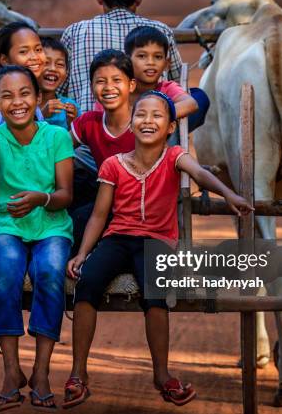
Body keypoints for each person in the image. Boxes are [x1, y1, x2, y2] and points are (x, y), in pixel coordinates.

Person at [63, 91, 254, 409]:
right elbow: (99, 215)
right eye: (141, 115)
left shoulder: (174, 156)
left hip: (156, 241)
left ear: (169, 127)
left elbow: (201, 174)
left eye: (157, 116)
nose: (147, 121)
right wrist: (83, 253)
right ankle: (78, 374)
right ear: (131, 124)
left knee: (155, 292)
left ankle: (162, 375)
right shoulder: (113, 165)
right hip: (117, 238)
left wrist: (228, 194)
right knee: (88, 283)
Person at [0, 66, 74, 411]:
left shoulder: (57, 137)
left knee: (50, 273)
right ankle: (11, 371)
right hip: (7, 228)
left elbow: (66, 194)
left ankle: (41, 372)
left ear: (38, 99)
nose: (17, 102)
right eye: (7, 96)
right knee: (7, 271)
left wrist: (41, 199)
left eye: (25, 94)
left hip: (52, 225)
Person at [61, 0, 184, 113]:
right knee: (198, 96)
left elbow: (59, 90)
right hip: (151, 128)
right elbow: (177, 81)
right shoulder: (161, 31)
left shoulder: (75, 32)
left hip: (85, 131)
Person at [68, 49, 136, 251]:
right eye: (100, 81)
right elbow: (58, 150)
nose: (109, 88)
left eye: (117, 80)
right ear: (91, 87)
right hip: (105, 203)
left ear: (131, 85)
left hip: (139, 210)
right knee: (72, 225)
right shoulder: (89, 123)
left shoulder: (143, 122)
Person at [92, 25, 210, 131]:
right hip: (116, 149)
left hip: (157, 150)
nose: (150, 62)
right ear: (127, 61)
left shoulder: (166, 88)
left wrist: (154, 117)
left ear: (166, 64)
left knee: (200, 96)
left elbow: (191, 103)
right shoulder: (117, 91)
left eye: (158, 57)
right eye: (142, 56)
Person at [0, 22, 46, 128]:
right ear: (5, 60)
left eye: (38, 49)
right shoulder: (7, 99)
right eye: (23, 52)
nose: (34, 57)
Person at [38, 37, 81, 130]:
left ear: (66, 74)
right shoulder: (25, 104)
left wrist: (72, 123)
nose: (53, 68)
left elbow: (77, 141)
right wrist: (41, 115)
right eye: (46, 62)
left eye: (60, 64)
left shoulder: (71, 106)